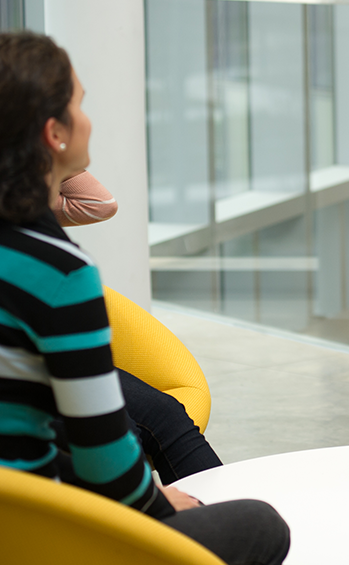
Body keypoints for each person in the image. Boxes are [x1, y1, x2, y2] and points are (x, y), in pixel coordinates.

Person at [0, 32, 290, 565]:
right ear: (53, 132)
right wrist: (161, 509)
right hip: (42, 527)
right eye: (79, 106)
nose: (90, 119)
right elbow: (104, 464)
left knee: (160, 416)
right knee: (262, 526)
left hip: (21, 500)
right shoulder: (60, 274)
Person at [50, 170, 224, 484]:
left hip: (37, 351)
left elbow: (98, 203)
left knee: (165, 415)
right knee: (120, 432)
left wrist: (58, 158)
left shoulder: (17, 206)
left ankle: (226, 512)